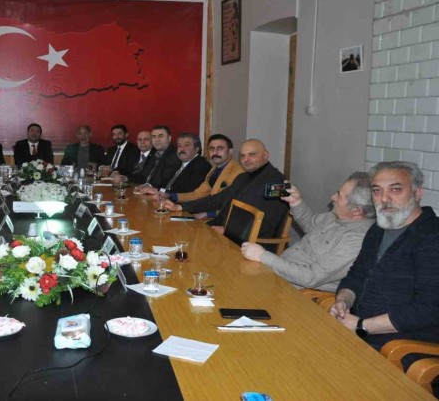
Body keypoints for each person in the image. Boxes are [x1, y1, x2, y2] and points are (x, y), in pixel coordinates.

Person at [330, 161, 439, 366]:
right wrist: (343, 301)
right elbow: (356, 275)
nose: (384, 198)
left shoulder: (432, 236)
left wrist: (362, 325)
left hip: (402, 350)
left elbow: (429, 308)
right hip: (359, 336)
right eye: (377, 190)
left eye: (395, 189)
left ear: (417, 193)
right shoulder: (378, 230)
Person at [240, 172, 375, 291]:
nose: (332, 197)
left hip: (294, 291)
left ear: (356, 211)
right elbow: (311, 226)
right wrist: (296, 202)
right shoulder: (336, 215)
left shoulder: (356, 241)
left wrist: (264, 256)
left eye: (339, 195)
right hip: (278, 273)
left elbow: (310, 277)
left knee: (239, 289)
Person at [164, 139, 288, 239]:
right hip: (223, 232)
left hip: (251, 243)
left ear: (265, 155)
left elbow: (268, 222)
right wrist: (180, 207)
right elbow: (217, 199)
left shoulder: (278, 182)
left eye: (252, 154)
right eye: (243, 155)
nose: (246, 159)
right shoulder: (243, 177)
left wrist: (229, 231)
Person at [171, 134, 245, 218]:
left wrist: (208, 214)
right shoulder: (213, 170)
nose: (215, 152)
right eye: (212, 149)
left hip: (223, 221)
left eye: (220, 148)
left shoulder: (239, 173)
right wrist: (171, 197)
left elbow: (236, 207)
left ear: (230, 151)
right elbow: (198, 194)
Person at [138, 133, 211, 195]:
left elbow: (187, 193)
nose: (181, 149)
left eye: (186, 145)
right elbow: (165, 184)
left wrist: (158, 191)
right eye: (179, 145)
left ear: (197, 149)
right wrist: (149, 186)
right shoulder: (179, 163)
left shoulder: (201, 166)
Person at [135, 125, 181, 190]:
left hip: (160, 193)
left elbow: (165, 181)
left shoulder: (174, 155)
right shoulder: (155, 154)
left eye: (161, 136)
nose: (156, 140)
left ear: (169, 138)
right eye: (154, 136)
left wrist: (148, 186)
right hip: (146, 190)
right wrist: (125, 178)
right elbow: (143, 175)